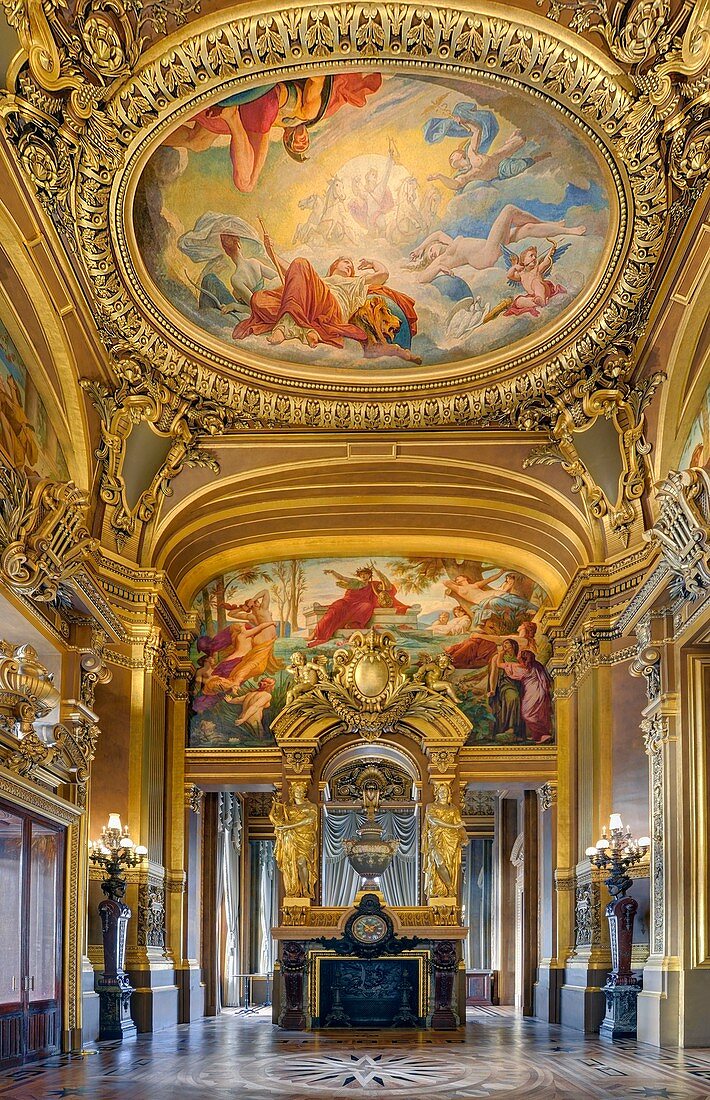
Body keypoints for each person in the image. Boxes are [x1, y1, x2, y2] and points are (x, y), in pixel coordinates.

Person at [164, 74, 382, 192]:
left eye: (295, 146)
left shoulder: (293, 118)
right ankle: (231, 118)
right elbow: (318, 75)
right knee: (244, 182)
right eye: (304, 143)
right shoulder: (309, 111)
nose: (301, 142)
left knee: (199, 143)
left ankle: (155, 135)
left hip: (258, 111)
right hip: (262, 105)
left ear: (286, 138)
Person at [233, 245, 417, 352]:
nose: (350, 267)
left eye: (351, 266)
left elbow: (383, 274)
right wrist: (271, 250)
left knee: (301, 263)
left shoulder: (355, 281)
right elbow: (292, 272)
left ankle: (286, 326)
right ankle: (305, 329)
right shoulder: (320, 281)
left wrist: (371, 263)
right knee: (261, 299)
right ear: (334, 265)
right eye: (346, 262)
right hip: (314, 307)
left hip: (333, 309)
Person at [408, 204, 585, 285]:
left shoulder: (448, 242)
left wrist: (420, 248)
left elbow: (437, 234)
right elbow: (420, 278)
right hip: (486, 255)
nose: (431, 254)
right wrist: (437, 268)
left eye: (431, 250)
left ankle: (562, 229)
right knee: (509, 210)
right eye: (429, 256)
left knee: (528, 228)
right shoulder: (443, 259)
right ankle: (555, 225)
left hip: (492, 248)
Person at [306, 564, 410, 647]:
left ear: (369, 575)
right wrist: (332, 572)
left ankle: (353, 623)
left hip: (360, 605)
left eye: (366, 574)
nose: (364, 576)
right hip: (347, 602)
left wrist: (379, 574)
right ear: (359, 576)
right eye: (362, 575)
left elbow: (387, 586)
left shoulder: (373, 585)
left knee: (367, 606)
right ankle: (314, 634)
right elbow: (342, 577)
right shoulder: (354, 582)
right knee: (334, 609)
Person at [428, 127, 551, 191]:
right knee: (526, 164)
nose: (451, 160)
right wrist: (440, 176)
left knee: (521, 139)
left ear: (459, 154)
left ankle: (547, 137)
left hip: (500, 155)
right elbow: (456, 185)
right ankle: (546, 156)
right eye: (451, 161)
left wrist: (463, 122)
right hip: (501, 170)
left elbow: (477, 131)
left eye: (451, 157)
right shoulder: (465, 175)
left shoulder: (471, 153)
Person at [269, 782, 318, 898]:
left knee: (302, 862)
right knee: (291, 864)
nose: (299, 793)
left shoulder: (311, 806)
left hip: (305, 837)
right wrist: (274, 806)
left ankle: (306, 889)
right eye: (297, 791)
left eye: (301, 791)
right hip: (290, 837)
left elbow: (310, 820)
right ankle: (293, 890)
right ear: (292, 792)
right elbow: (276, 820)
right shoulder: (288, 808)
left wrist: (289, 826)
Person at [422, 782, 467, 900]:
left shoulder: (453, 808)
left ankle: (449, 889)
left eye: (445, 791)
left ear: (449, 793)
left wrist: (464, 837)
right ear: (436, 793)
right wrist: (453, 826)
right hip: (435, 838)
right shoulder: (431, 806)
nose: (443, 793)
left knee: (449, 865)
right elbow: (433, 820)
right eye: (441, 791)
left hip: (451, 839)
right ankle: (450, 887)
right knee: (439, 862)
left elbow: (460, 825)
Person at [500, 648, 553, 742]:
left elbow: (499, 665)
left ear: (522, 658)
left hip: (532, 693)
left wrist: (500, 654)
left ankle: (540, 735)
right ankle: (541, 734)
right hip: (541, 692)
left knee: (527, 714)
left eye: (519, 655)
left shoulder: (521, 668)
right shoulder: (537, 665)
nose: (517, 656)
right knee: (539, 714)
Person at [488, 638, 523, 740]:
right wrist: (492, 689)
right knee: (513, 698)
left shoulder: (518, 657)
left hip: (518, 685)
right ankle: (510, 727)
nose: (504, 645)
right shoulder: (498, 657)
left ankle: (516, 730)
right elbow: (494, 674)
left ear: (513, 644)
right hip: (505, 684)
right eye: (503, 644)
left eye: (507, 643)